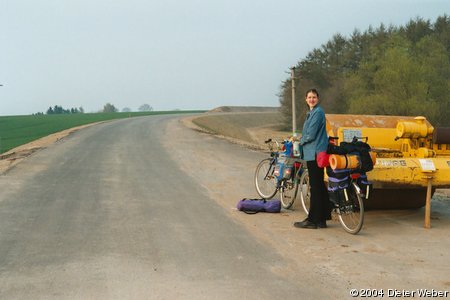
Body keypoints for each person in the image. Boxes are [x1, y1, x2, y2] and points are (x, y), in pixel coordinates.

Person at [294, 88, 331, 229]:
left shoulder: (318, 112)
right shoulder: (311, 113)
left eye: (314, 97)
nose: (311, 99)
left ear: (318, 98)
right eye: (309, 97)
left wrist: (300, 140)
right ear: (305, 99)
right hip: (313, 152)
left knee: (315, 187)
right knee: (319, 186)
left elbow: (311, 134)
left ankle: (312, 220)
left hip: (315, 153)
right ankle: (322, 219)